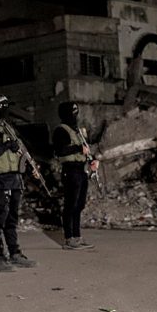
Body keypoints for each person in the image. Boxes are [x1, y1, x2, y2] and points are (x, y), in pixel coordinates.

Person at [0, 94, 38, 272]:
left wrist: (31, 167)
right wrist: (6, 145)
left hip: (15, 178)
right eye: (2, 106)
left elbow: (20, 151)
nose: (6, 110)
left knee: (12, 218)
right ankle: (0, 256)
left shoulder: (9, 128)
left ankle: (15, 253)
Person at [52, 102, 97, 250]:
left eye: (76, 113)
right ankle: (69, 238)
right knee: (70, 205)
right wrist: (78, 148)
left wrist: (92, 160)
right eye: (72, 113)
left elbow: (85, 150)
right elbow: (60, 151)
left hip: (81, 169)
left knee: (79, 205)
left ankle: (77, 236)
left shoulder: (76, 130)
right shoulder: (61, 131)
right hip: (70, 170)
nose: (75, 116)